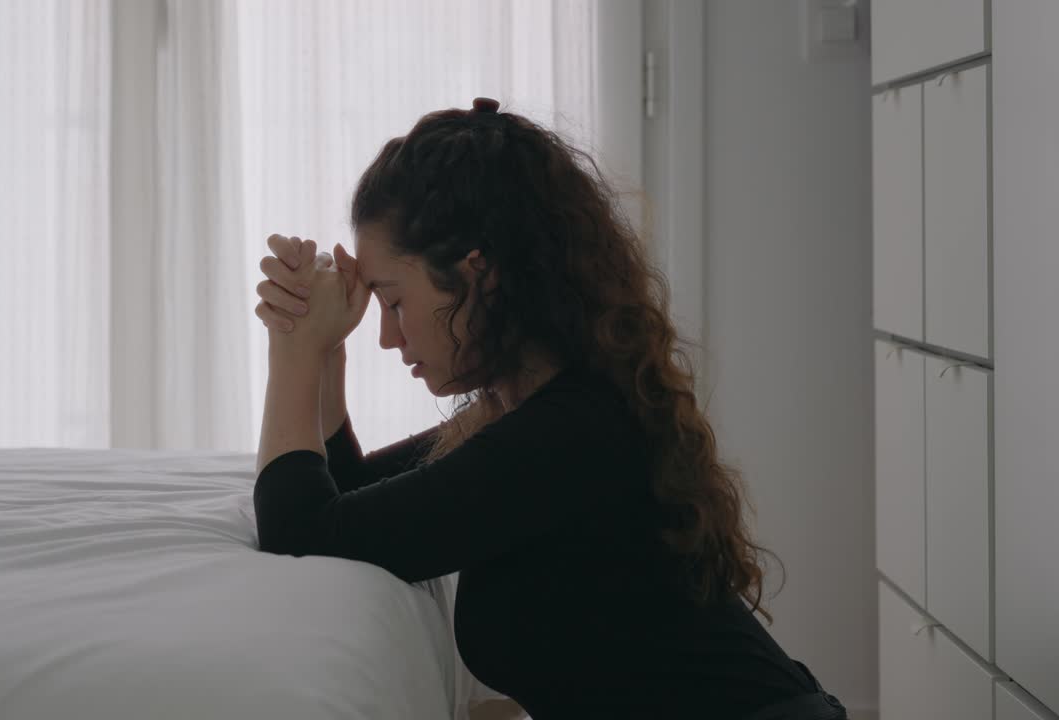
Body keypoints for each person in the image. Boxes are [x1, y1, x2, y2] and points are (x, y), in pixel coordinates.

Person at [250, 97, 848, 720]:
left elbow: (300, 530)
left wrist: (291, 348)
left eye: (393, 302)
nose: (387, 337)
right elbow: (352, 499)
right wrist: (324, 351)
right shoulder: (531, 410)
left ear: (478, 274)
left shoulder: (571, 433)